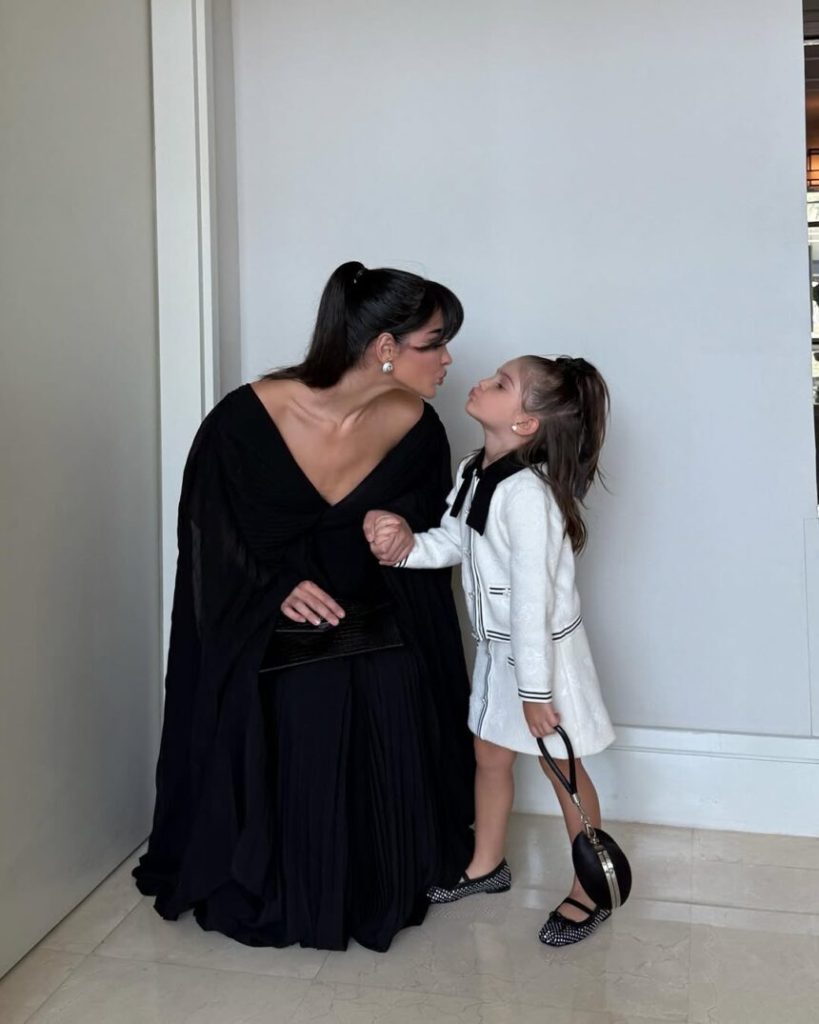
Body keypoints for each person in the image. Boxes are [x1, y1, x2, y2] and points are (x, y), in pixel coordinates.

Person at [134, 261, 475, 953]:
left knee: (392, 678)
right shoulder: (246, 417)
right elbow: (207, 536)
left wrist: (399, 534)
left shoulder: (418, 426)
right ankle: (292, 882)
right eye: (435, 343)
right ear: (384, 346)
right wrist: (273, 586)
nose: (447, 359)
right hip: (265, 624)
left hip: (375, 618)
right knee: (305, 692)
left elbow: (429, 538)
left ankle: (369, 877)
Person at [367, 355, 616, 947]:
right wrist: (406, 547)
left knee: (561, 768)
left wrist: (535, 693)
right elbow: (457, 540)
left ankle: (592, 888)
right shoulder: (474, 470)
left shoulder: (528, 496)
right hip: (499, 651)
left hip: (542, 659)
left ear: (526, 423)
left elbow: (532, 601)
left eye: (501, 384)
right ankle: (486, 865)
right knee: (488, 754)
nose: (482, 382)